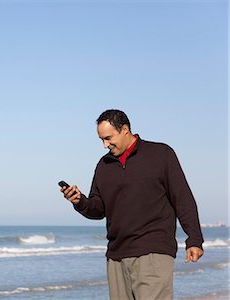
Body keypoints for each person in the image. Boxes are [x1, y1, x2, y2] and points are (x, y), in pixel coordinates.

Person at [60, 109, 204, 300]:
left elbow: (182, 198)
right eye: (101, 140)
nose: (105, 145)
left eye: (108, 138)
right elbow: (99, 209)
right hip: (116, 256)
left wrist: (194, 238)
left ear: (125, 130)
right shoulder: (104, 165)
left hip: (153, 251)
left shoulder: (161, 154)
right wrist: (80, 201)